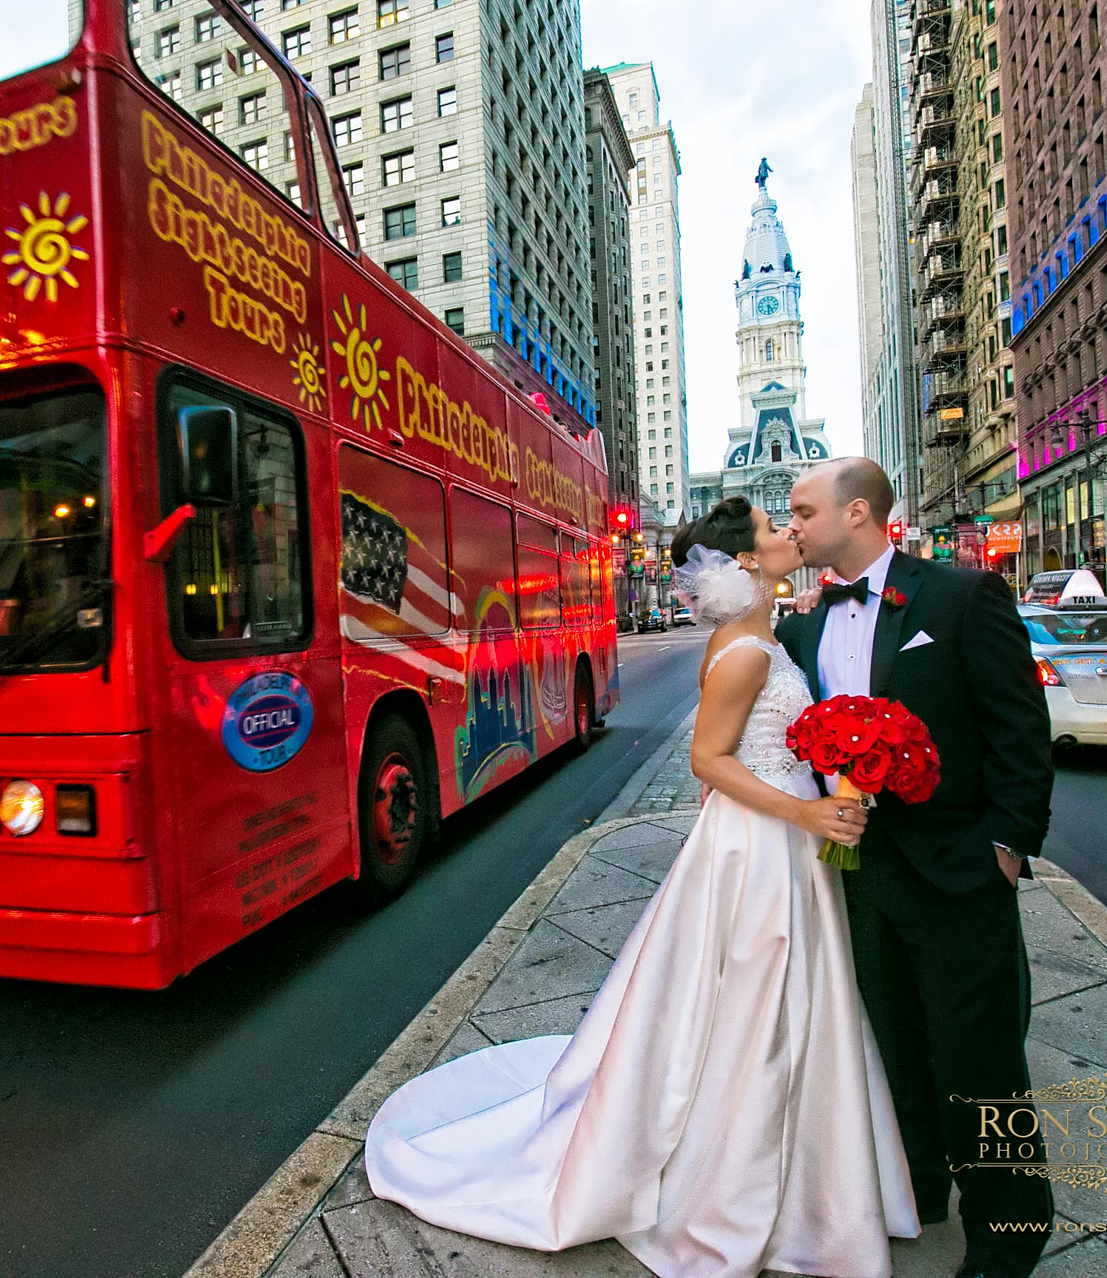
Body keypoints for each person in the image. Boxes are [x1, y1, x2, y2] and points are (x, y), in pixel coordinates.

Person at [367, 496, 919, 1278]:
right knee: (762, 1006)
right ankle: (750, 1183)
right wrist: (809, 809)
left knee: (769, 1003)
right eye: (772, 529)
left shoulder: (765, 635)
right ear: (744, 562)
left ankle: (800, 1174)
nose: (789, 533)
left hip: (772, 840)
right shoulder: (748, 651)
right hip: (763, 845)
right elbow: (708, 761)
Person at [779, 458, 1054, 1278]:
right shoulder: (801, 624)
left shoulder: (961, 597)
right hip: (856, 873)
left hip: (959, 871)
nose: (790, 525)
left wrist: (1006, 848)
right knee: (892, 1044)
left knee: (980, 1057)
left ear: (857, 512)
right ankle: (918, 1190)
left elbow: (1018, 728)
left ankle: (1011, 1231)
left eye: (801, 511)